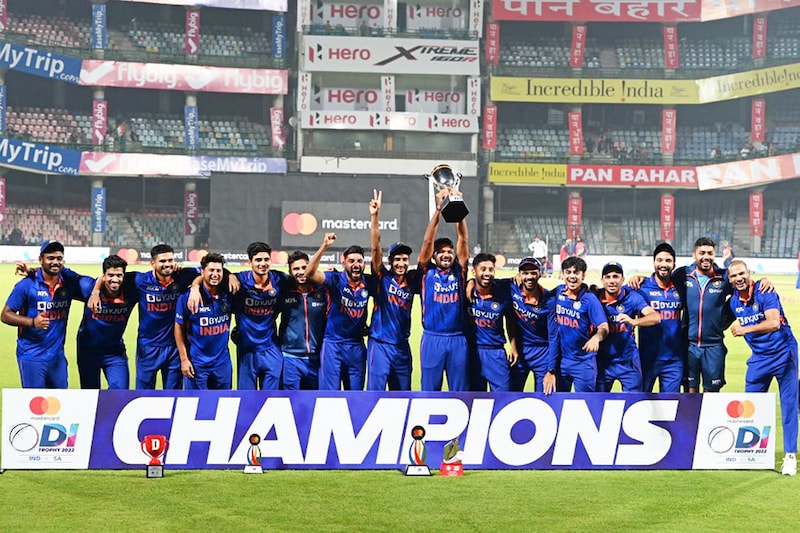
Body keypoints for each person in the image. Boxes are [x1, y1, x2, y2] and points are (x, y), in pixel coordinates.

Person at [90, 244, 204, 390]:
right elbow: (109, 275)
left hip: (174, 348)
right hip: (147, 347)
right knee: (143, 394)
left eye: (170, 260)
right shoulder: (140, 280)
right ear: (152, 263)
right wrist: (95, 291)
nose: (167, 264)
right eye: (162, 261)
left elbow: (207, 272)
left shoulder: (182, 276)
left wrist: (195, 287)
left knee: (173, 394)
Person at [727, 260, 798, 476]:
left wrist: (745, 329)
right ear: (729, 279)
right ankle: (752, 453)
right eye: (734, 276)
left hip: (784, 353)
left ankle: (790, 456)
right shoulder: (733, 302)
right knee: (750, 406)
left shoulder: (765, 291)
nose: (739, 278)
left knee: (789, 405)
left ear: (749, 273)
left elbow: (774, 323)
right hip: (759, 358)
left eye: (741, 273)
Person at [1, 241, 83, 388]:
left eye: (59, 258)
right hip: (31, 355)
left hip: (57, 357)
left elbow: (89, 291)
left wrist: (95, 294)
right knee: (36, 401)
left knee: (60, 400)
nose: (55, 262)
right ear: (41, 259)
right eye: (50, 258)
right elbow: (5, 315)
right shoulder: (26, 285)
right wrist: (32, 322)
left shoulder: (68, 285)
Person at [305, 234, 375, 390]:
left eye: (359, 261)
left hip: (356, 346)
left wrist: (372, 326)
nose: (356, 265)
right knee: (330, 397)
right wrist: (324, 245)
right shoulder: (334, 279)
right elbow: (309, 273)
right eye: (351, 261)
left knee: (355, 396)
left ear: (364, 264)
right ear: (344, 263)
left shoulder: (368, 282)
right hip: (333, 345)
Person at [417, 187, 470, 391]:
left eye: (449, 251)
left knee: (460, 393)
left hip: (457, 338)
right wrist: (439, 208)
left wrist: (457, 204)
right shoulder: (426, 272)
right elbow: (427, 241)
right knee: (430, 392)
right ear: (433, 257)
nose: (446, 254)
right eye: (441, 252)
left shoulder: (460, 271)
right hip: (432, 338)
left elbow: (463, 239)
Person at [218, 242, 288, 390]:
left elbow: (304, 279)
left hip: (271, 349)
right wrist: (229, 275)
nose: (263, 264)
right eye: (258, 260)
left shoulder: (280, 279)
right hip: (246, 351)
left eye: (266, 259)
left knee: (271, 399)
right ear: (250, 262)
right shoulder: (240, 281)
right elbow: (209, 274)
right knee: (247, 399)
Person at [367, 190, 416, 391]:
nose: (401, 263)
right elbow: (375, 248)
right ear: (390, 261)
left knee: (403, 395)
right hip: (380, 343)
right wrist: (375, 217)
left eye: (404, 259)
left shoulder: (412, 281)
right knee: (375, 394)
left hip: (402, 345)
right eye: (397, 259)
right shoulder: (382, 277)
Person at [594, 262, 660, 392]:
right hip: (603, 362)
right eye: (608, 277)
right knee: (598, 402)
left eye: (616, 276)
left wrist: (634, 322)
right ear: (602, 280)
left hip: (628, 361)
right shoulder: (594, 298)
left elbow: (655, 317)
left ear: (622, 279)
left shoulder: (632, 297)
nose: (612, 281)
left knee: (633, 401)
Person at [76, 255, 137, 389]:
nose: (115, 279)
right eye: (110, 275)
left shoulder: (131, 289)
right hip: (88, 352)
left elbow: (154, 277)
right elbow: (65, 275)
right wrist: (95, 292)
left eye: (119, 275)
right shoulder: (87, 286)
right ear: (103, 276)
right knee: (90, 394)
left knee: (120, 393)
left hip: (114, 352)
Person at [549, 256, 609, 393]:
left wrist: (596, 338)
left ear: (583, 275)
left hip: (583, 363)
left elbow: (604, 327)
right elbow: (540, 297)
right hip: (561, 362)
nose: (572, 276)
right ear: (562, 274)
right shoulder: (558, 292)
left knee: (585, 402)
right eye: (568, 272)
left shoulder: (590, 299)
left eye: (576, 273)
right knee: (558, 402)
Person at [175, 253, 233, 390]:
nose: (215, 274)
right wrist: (184, 359)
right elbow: (179, 327)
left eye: (218, 271)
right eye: (211, 270)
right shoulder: (188, 298)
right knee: (196, 403)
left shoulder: (229, 294)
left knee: (223, 401)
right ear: (202, 272)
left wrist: (232, 276)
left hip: (222, 363)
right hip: (197, 364)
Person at [636, 243, 686, 393]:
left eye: (668, 261)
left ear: (674, 265)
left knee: (670, 404)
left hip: (674, 360)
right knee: (641, 403)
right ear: (654, 263)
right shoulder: (640, 286)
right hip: (647, 358)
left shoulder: (681, 287)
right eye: (659, 260)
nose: (663, 264)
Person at [467, 253, 518, 392]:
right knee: (475, 398)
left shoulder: (502, 293)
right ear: (474, 271)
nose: (487, 273)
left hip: (496, 353)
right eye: (483, 269)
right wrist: (470, 282)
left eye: (491, 269)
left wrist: (513, 346)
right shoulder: (467, 292)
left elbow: (511, 321)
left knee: (503, 398)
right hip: (472, 352)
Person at [279, 251, 330, 390]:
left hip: (317, 359)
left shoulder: (323, 291)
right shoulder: (284, 292)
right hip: (290, 358)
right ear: (290, 271)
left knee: (314, 401)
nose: (301, 272)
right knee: (291, 401)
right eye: (296, 269)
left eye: (304, 267)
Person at [508, 258, 558, 393]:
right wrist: (471, 282)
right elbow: (489, 282)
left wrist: (551, 369)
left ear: (540, 274)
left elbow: (553, 336)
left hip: (543, 353)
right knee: (511, 395)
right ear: (519, 275)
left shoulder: (549, 300)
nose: (529, 277)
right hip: (520, 352)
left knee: (545, 396)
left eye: (533, 273)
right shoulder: (512, 289)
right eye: (525, 273)